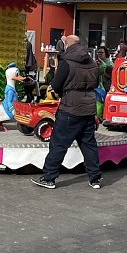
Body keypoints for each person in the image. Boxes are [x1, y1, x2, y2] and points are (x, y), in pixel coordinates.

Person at [31, 35, 102, 190]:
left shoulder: (67, 63)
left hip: (70, 108)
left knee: (59, 144)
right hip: (88, 108)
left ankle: (49, 178)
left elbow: (56, 85)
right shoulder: (92, 62)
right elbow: (96, 83)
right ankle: (95, 179)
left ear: (66, 45)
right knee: (89, 144)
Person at [95, 45, 113, 118]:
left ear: (106, 53)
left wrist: (103, 72)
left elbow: (112, 76)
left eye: (101, 52)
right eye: (98, 52)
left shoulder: (109, 63)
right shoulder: (97, 62)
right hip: (99, 85)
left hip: (106, 84)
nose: (99, 54)